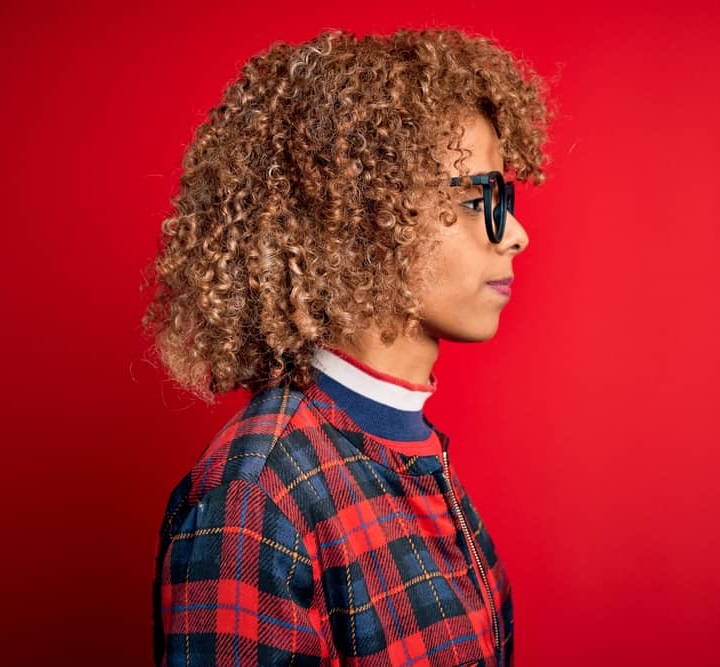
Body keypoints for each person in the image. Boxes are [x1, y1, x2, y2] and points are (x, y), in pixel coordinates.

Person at [142, 26, 551, 666]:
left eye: (506, 198)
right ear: (362, 221)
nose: (516, 234)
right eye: (478, 201)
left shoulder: (416, 454)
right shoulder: (258, 494)